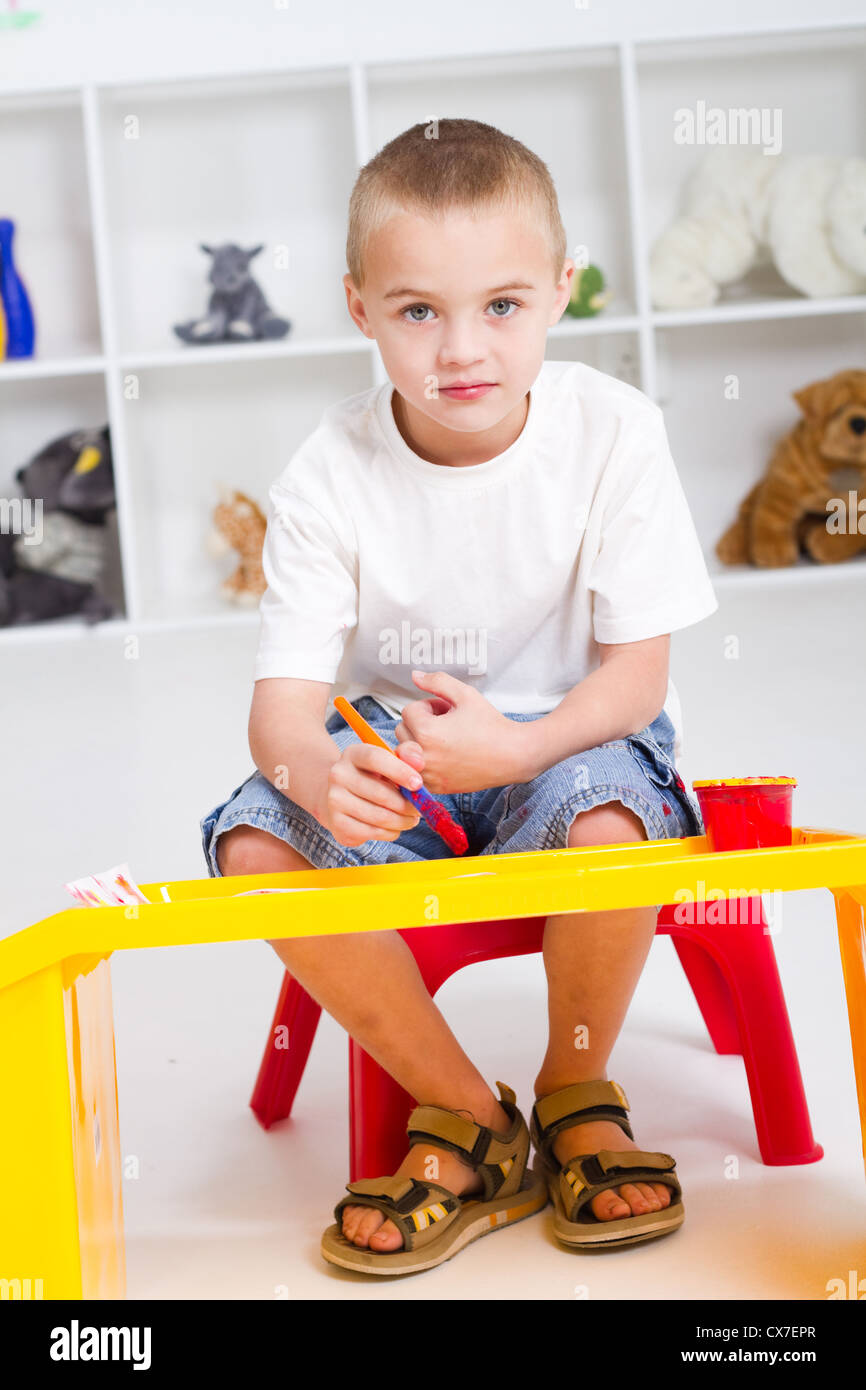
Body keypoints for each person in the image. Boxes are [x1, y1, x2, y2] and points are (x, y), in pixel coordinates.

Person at [200, 118, 718, 1274]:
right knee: (251, 842)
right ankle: (474, 1124)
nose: (460, 350)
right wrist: (319, 778)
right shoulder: (326, 473)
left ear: (559, 293)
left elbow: (636, 677)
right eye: (416, 310)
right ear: (358, 307)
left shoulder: (614, 432)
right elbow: (280, 710)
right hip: (403, 763)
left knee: (606, 816)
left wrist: (520, 744)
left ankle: (575, 1085)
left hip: (573, 736)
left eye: (501, 305)